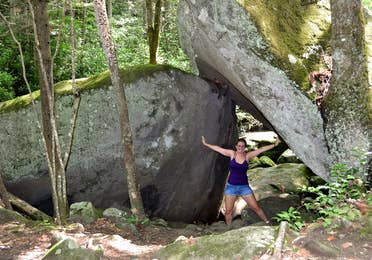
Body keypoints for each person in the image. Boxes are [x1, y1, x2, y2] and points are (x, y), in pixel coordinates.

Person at [201, 135, 280, 226]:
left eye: (242, 146)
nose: (240, 147)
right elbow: (219, 149)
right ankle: (229, 229)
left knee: (256, 207)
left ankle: (267, 222)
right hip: (231, 187)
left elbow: (261, 149)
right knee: (228, 211)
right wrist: (206, 144)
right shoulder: (232, 154)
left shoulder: (247, 156)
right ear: (236, 146)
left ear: (245, 147)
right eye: (239, 146)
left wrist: (275, 145)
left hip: (244, 187)